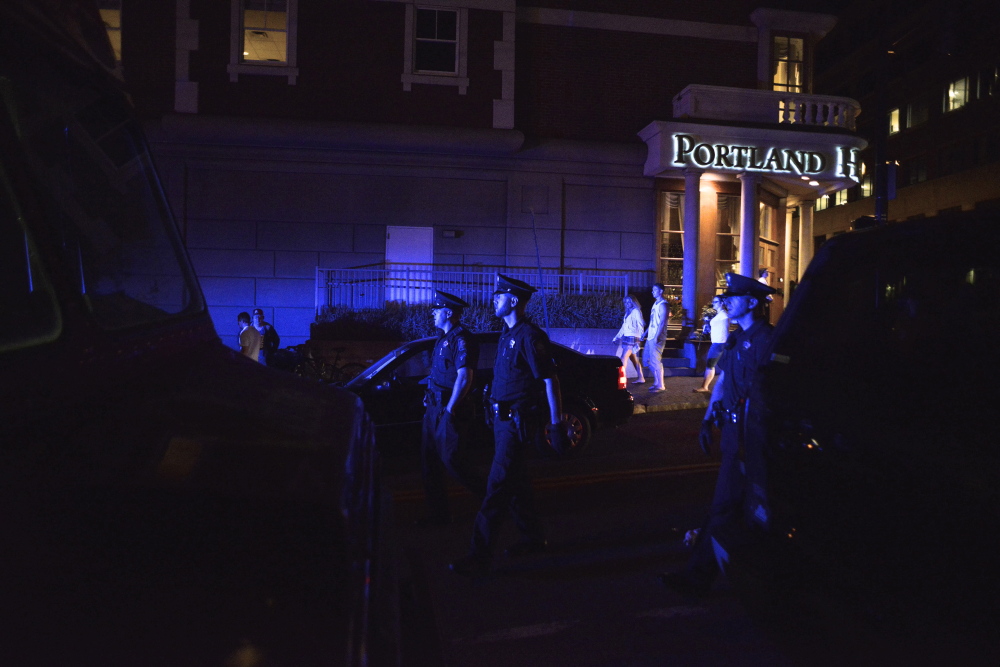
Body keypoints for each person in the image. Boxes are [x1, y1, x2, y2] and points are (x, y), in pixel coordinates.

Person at [659, 272, 776, 598]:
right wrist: (707, 420)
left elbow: (770, 393)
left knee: (727, 508)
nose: (726, 300)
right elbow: (722, 380)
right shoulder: (737, 339)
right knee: (734, 510)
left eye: (733, 296)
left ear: (751, 302)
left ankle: (700, 578)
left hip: (750, 438)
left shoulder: (767, 340)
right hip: (733, 435)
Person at [449, 275, 572, 576]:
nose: (494, 299)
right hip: (500, 421)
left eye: (499, 295)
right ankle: (532, 538)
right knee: (516, 485)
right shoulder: (506, 334)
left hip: (516, 424)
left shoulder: (530, 336)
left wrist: (556, 426)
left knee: (496, 488)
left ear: (513, 301)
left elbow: (549, 380)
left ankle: (479, 555)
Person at [419, 290, 486, 526]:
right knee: (430, 465)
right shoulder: (442, 338)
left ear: (448, 313)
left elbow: (464, 377)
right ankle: (439, 516)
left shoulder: (461, 339)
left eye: (437, 310)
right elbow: (438, 372)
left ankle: (493, 503)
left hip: (449, 409)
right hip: (434, 409)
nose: (433, 314)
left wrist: (449, 409)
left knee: (454, 462)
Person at [694, 296, 729, 393]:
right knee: (718, 365)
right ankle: (706, 386)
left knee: (711, 364)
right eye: (713, 301)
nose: (713, 303)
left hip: (719, 343)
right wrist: (708, 328)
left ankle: (705, 386)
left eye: (716, 302)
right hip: (718, 342)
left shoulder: (724, 315)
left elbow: (726, 327)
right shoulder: (719, 315)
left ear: (722, 303)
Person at [612, 294, 646, 385]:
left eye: (629, 301)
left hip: (633, 337)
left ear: (633, 302)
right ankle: (641, 377)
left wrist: (639, 339)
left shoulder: (636, 311)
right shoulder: (628, 312)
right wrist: (617, 337)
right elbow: (623, 327)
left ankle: (621, 379)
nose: (627, 303)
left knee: (623, 357)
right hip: (627, 337)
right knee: (634, 359)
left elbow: (640, 325)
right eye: (625, 302)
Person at [642, 283, 669, 393]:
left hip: (657, 336)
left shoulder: (663, 305)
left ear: (661, 291)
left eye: (655, 290)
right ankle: (657, 382)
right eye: (652, 290)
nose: (652, 292)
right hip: (651, 336)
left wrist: (657, 336)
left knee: (655, 360)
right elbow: (653, 321)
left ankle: (660, 384)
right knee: (647, 360)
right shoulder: (655, 304)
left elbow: (662, 322)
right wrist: (646, 333)